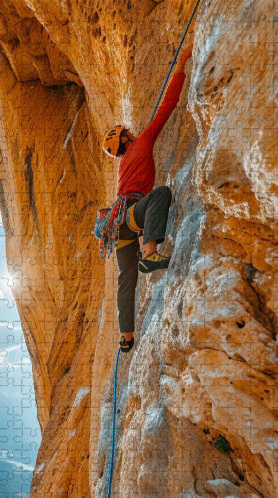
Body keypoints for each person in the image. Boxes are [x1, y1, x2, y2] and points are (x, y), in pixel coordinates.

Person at [101, 44, 193, 353]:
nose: (131, 131)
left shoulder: (123, 165)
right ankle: (151, 252)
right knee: (160, 195)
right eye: (126, 132)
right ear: (126, 139)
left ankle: (126, 337)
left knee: (126, 279)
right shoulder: (141, 144)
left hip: (117, 225)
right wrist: (180, 64)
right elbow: (167, 105)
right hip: (130, 214)